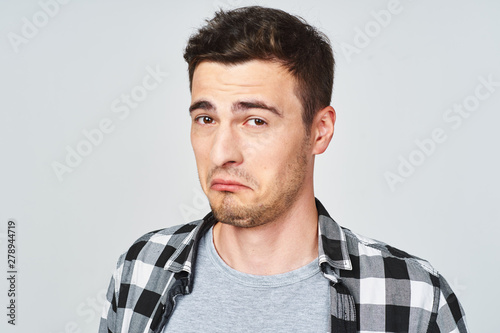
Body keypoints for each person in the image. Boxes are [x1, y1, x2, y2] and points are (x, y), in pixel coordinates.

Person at [99, 6, 468, 333]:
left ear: (319, 131)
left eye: (255, 120)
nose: (221, 152)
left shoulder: (411, 296)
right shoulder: (142, 267)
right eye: (206, 118)